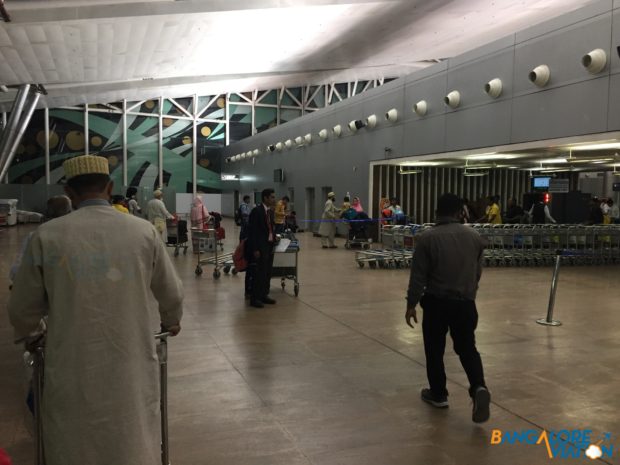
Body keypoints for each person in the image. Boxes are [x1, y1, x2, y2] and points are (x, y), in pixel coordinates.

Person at [8, 155, 183, 465]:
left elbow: (22, 307)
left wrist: (33, 334)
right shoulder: (142, 232)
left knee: (74, 439)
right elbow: (171, 292)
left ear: (69, 192)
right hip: (130, 361)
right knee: (131, 433)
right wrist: (171, 321)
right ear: (110, 187)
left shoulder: (47, 237)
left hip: (72, 364)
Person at [405, 193, 490, 424]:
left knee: (434, 349)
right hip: (465, 303)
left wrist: (411, 304)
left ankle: (439, 394)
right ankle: (478, 386)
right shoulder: (474, 237)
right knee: (467, 348)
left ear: (436, 213)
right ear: (459, 212)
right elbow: (477, 272)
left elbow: (418, 277)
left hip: (436, 303)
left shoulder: (427, 238)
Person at [9, 195, 72, 284]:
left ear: (48, 212)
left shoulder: (35, 236)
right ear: (70, 212)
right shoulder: (80, 235)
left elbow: (16, 272)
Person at [246, 188, 277, 309]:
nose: (274, 199)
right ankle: (255, 298)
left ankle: (264, 294)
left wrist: (274, 237)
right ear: (265, 198)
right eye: (272, 197)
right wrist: (255, 249)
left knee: (267, 272)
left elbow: (270, 228)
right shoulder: (256, 211)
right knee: (258, 273)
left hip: (269, 245)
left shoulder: (270, 212)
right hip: (260, 247)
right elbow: (252, 232)